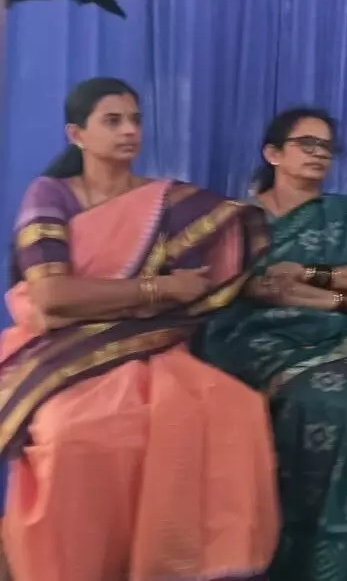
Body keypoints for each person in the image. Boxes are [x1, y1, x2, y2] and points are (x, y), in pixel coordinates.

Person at [0, 77, 278, 581]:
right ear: (76, 134)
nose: (129, 131)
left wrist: (317, 285)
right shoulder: (51, 194)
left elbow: (214, 266)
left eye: (135, 120)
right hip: (62, 348)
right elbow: (52, 295)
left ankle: (171, 563)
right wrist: (158, 289)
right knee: (72, 435)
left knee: (234, 410)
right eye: (113, 121)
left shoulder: (163, 200)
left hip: (150, 347)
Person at [195, 108, 347, 581]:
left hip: (341, 334)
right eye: (306, 144)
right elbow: (260, 287)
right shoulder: (237, 220)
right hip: (257, 337)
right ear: (273, 153)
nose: (318, 154)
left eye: (326, 147)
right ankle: (316, 555)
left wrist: (309, 274)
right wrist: (341, 297)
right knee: (334, 406)